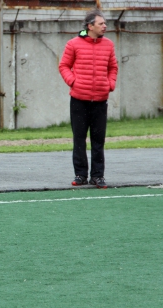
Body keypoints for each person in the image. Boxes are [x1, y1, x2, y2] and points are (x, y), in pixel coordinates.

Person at [59, 9, 118, 189]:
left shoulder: (108, 45)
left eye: (105, 23)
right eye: (101, 24)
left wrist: (110, 84)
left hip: (100, 100)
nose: (104, 26)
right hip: (79, 99)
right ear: (90, 26)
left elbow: (113, 67)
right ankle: (81, 175)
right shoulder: (73, 44)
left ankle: (98, 176)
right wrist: (73, 82)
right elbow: (64, 66)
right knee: (79, 138)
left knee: (98, 139)